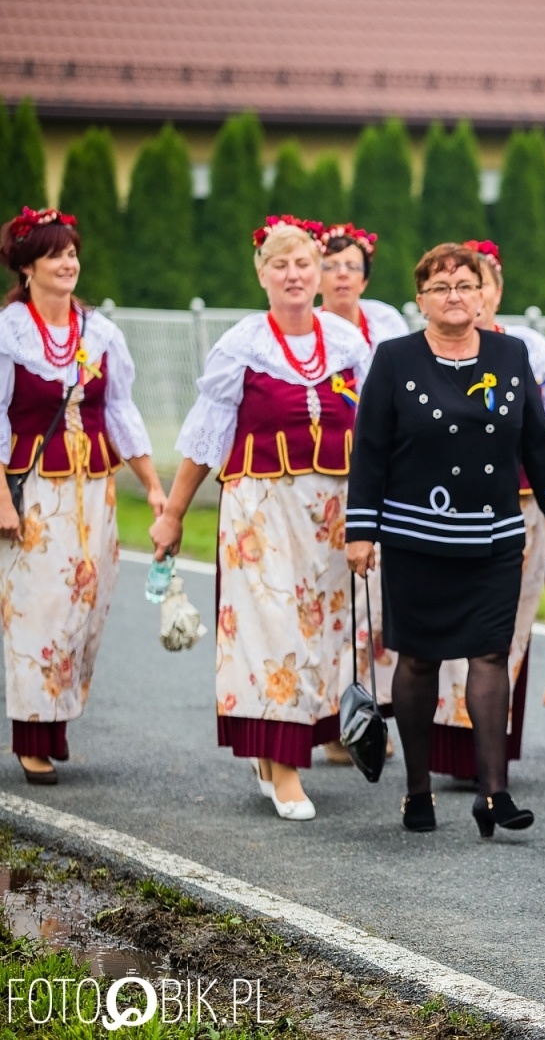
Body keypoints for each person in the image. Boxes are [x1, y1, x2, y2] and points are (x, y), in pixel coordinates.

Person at [345, 243, 545, 834]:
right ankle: (416, 791)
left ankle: (493, 793)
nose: (454, 296)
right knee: (418, 659)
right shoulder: (395, 358)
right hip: (414, 537)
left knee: (490, 654)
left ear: (485, 294)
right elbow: (370, 452)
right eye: (440, 287)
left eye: (465, 284)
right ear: (421, 300)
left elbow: (538, 446)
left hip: (495, 538)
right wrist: (360, 531)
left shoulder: (512, 355)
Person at [153, 215, 368, 821]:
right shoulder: (242, 345)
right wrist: (171, 515)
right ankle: (283, 767)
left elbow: (377, 432)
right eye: (280, 265)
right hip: (259, 510)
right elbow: (204, 438)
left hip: (330, 510)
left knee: (322, 630)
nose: (294, 275)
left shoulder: (349, 343)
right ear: (261, 275)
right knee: (273, 628)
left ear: (320, 270)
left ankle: (283, 745)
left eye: (303, 264)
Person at [412, 238, 545, 782]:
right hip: (439, 509)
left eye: (478, 284)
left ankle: (491, 756)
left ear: (495, 290)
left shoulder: (525, 347)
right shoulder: (420, 350)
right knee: (441, 625)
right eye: (454, 286)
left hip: (518, 506)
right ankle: (445, 751)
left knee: (507, 625)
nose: (469, 295)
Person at [0, 207, 163, 784]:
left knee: (84, 607)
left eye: (72, 252)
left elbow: (119, 410)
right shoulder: (7, 334)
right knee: (38, 607)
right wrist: (1, 497)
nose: (68, 263)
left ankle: (57, 723)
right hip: (35, 493)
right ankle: (31, 736)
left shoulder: (100, 333)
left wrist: (151, 483)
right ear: (26, 267)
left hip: (95, 491)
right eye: (54, 254)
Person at [316, 221, 409, 763]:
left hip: (390, 469)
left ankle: (370, 714)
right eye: (331, 265)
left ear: (366, 274)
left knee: (376, 604)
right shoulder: (310, 328)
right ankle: (331, 719)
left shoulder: (387, 322)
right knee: (333, 600)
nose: (342, 274)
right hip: (330, 476)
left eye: (352, 265)